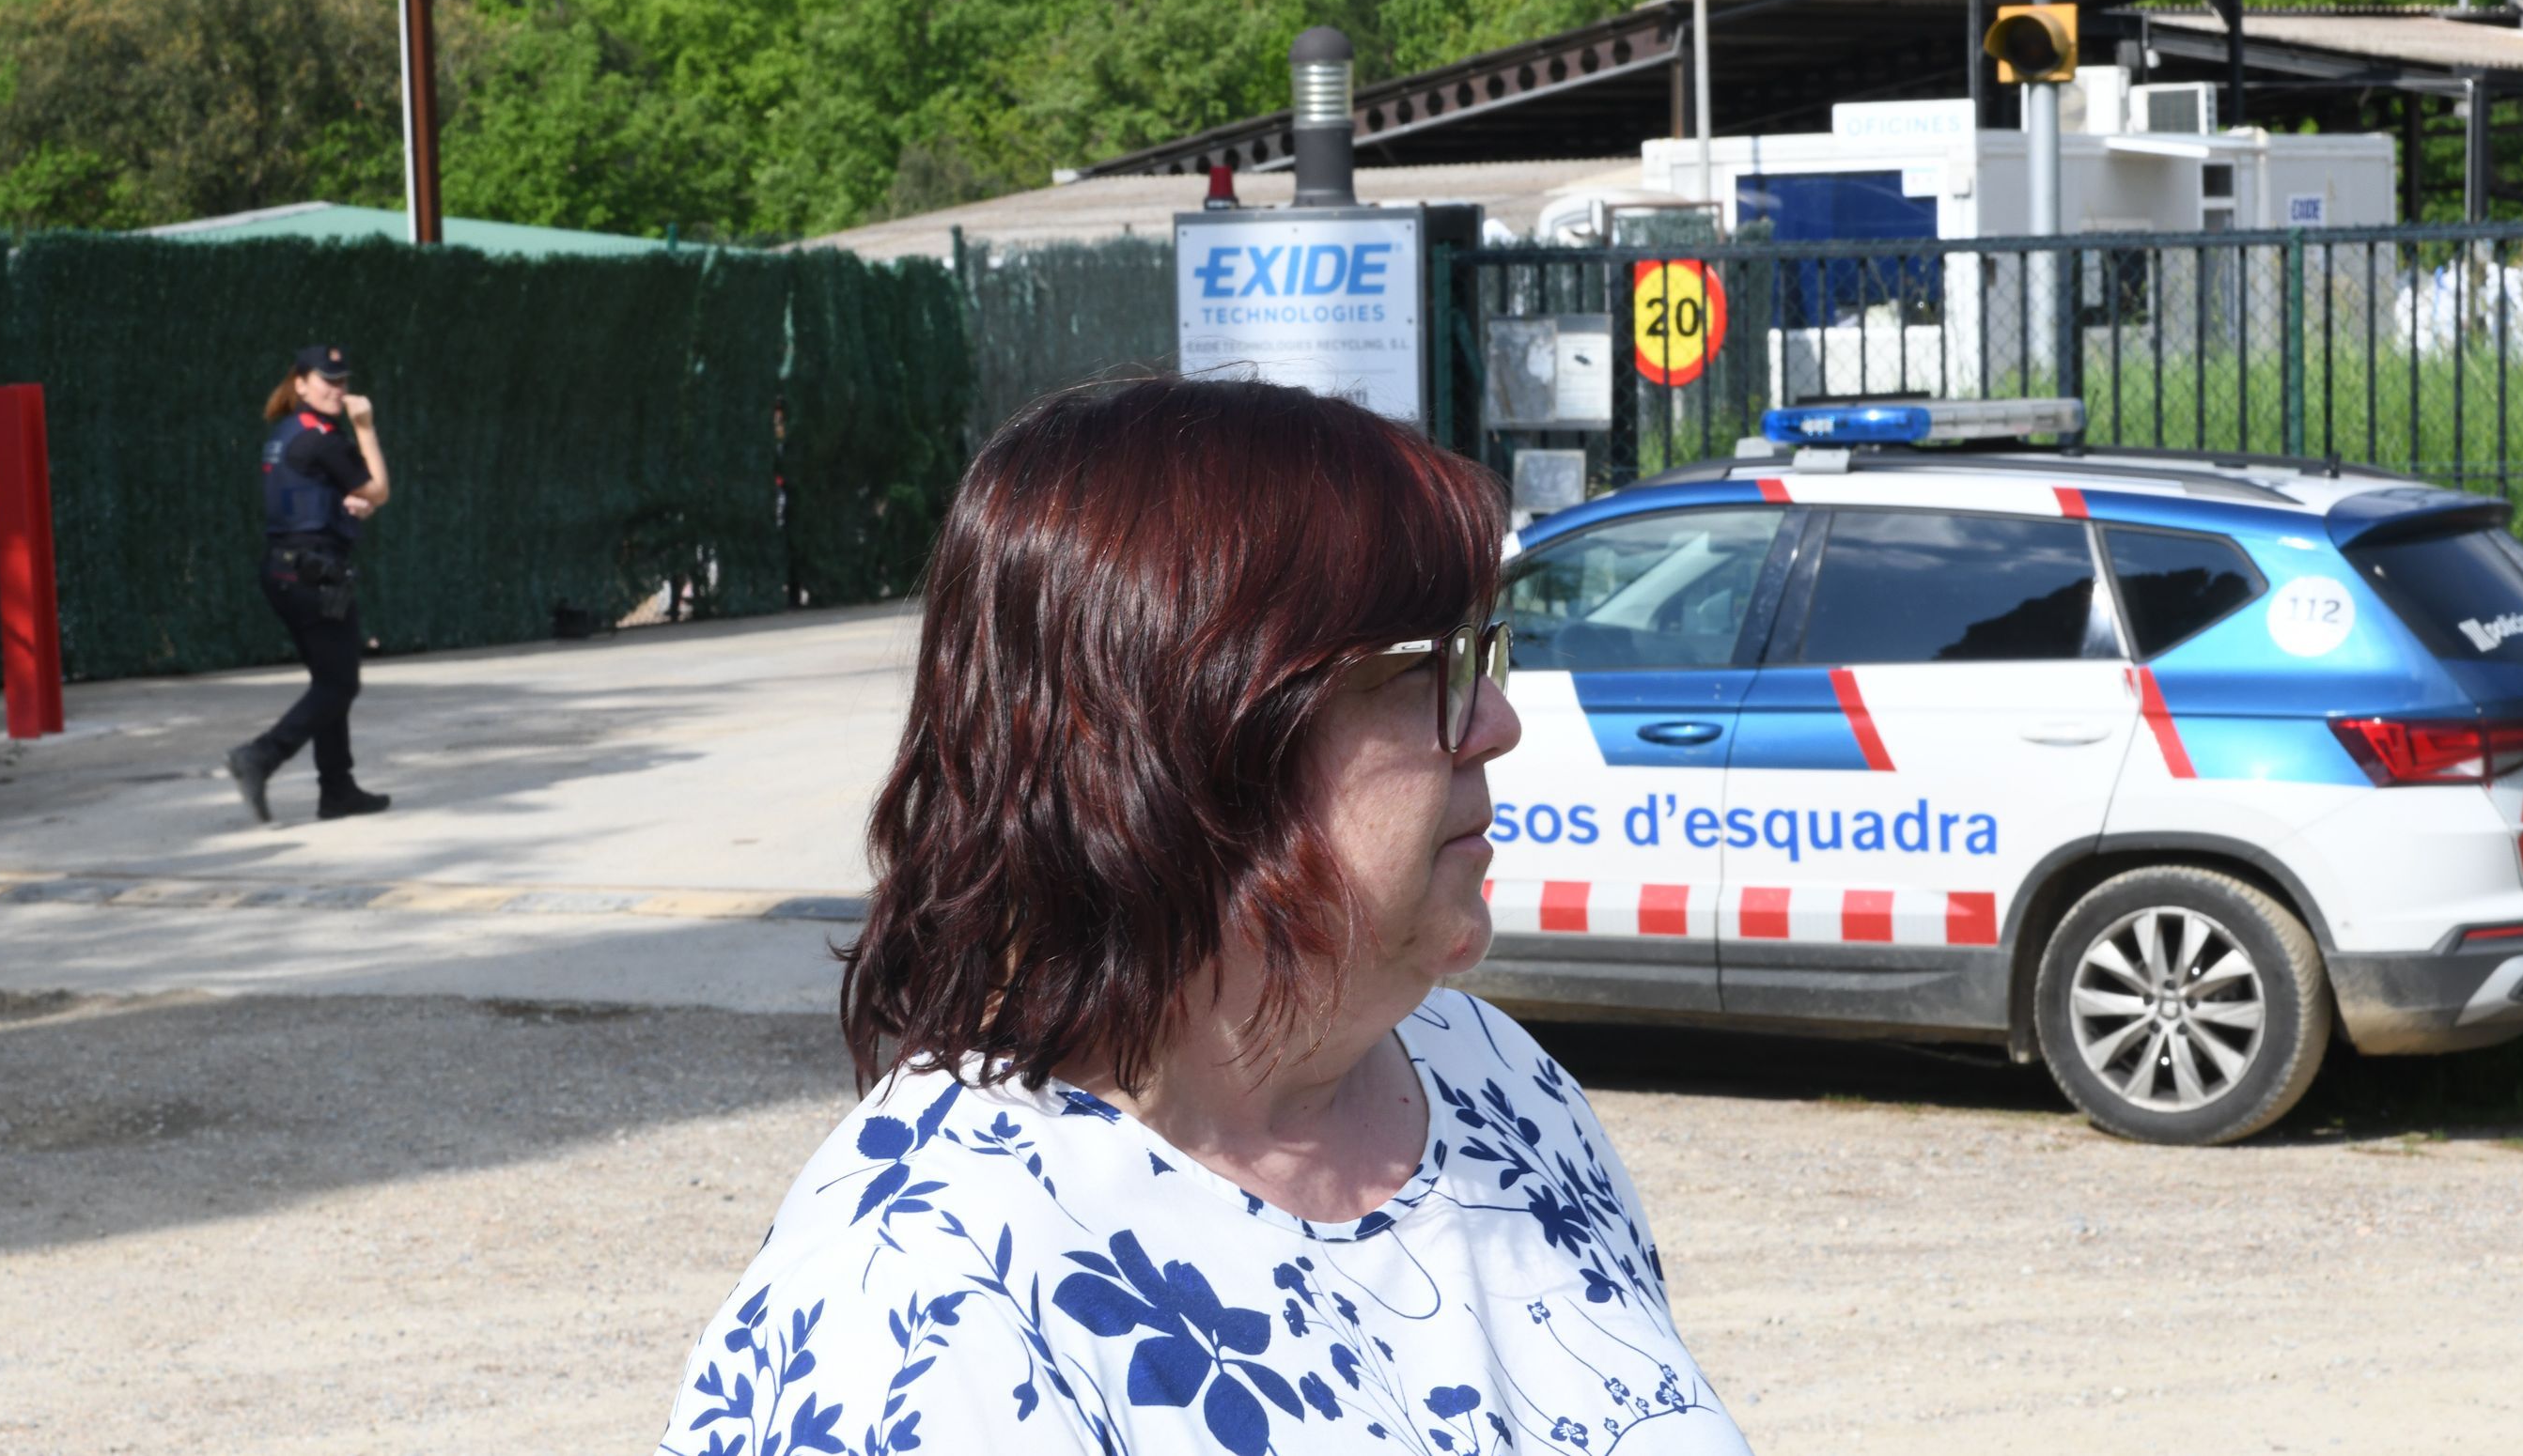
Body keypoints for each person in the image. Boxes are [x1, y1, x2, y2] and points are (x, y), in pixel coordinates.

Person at [655, 379, 1751, 1456]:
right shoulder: (924, 1305)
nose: (1496, 724)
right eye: (1424, 669)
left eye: (1480, 653)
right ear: (1186, 741)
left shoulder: (1489, 1081)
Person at [226, 344, 392, 824]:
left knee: (328, 679)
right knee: (340, 684)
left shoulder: (286, 433)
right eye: (326, 381)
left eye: (341, 381)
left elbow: (313, 495)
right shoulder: (323, 439)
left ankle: (337, 790)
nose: (337, 390)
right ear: (299, 383)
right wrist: (365, 428)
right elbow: (379, 489)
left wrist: (350, 501)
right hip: (313, 576)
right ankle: (260, 756)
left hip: (285, 571)